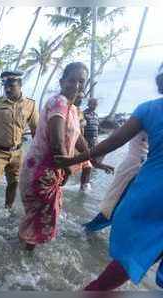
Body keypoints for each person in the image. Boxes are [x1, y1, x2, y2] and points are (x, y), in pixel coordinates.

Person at [55, 63, 163, 290]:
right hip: (143, 181)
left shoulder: (148, 109)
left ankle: (94, 290)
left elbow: (114, 140)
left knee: (127, 261)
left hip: (150, 192)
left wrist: (75, 160)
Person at [18, 62, 92, 250]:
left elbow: (78, 138)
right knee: (37, 218)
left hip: (53, 170)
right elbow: (57, 144)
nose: (76, 85)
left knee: (36, 217)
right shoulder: (58, 102)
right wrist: (69, 169)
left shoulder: (73, 109)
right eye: (72, 80)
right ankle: (24, 261)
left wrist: (93, 157)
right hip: (40, 171)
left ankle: (23, 257)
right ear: (62, 82)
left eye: (81, 82)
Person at [0, 71, 39, 209]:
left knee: (14, 182)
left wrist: (38, 153)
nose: (8, 89)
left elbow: (35, 130)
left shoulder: (30, 105)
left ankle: (8, 208)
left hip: (17, 152)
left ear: (20, 85)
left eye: (12, 86)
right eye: (5, 86)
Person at [83, 132, 148, 232]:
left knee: (118, 208)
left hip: (144, 169)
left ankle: (86, 231)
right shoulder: (148, 117)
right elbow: (115, 139)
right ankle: (86, 231)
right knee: (115, 209)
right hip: (139, 168)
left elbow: (115, 139)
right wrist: (93, 161)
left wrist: (88, 160)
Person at [80, 98, 100, 190]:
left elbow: (96, 129)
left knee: (92, 164)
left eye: (96, 104)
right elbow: (80, 129)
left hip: (94, 142)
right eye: (93, 104)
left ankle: (86, 183)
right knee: (87, 164)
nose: (95, 106)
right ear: (89, 104)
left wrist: (97, 141)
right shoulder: (84, 114)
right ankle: (83, 185)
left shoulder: (96, 115)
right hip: (86, 142)